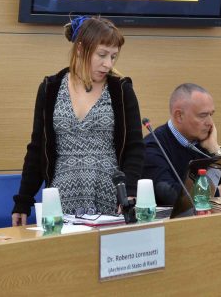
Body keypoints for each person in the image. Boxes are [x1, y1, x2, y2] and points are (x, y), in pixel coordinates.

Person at [12, 16, 145, 226]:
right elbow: (37, 148)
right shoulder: (50, 88)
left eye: (113, 56)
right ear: (81, 49)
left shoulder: (121, 90)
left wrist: (129, 191)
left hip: (110, 196)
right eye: (102, 55)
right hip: (61, 197)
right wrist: (23, 201)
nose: (108, 64)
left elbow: (134, 147)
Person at [142, 83, 221, 205]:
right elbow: (170, 194)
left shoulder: (203, 143)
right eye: (203, 115)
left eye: (211, 114)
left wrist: (215, 150)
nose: (210, 123)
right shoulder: (153, 146)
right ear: (179, 116)